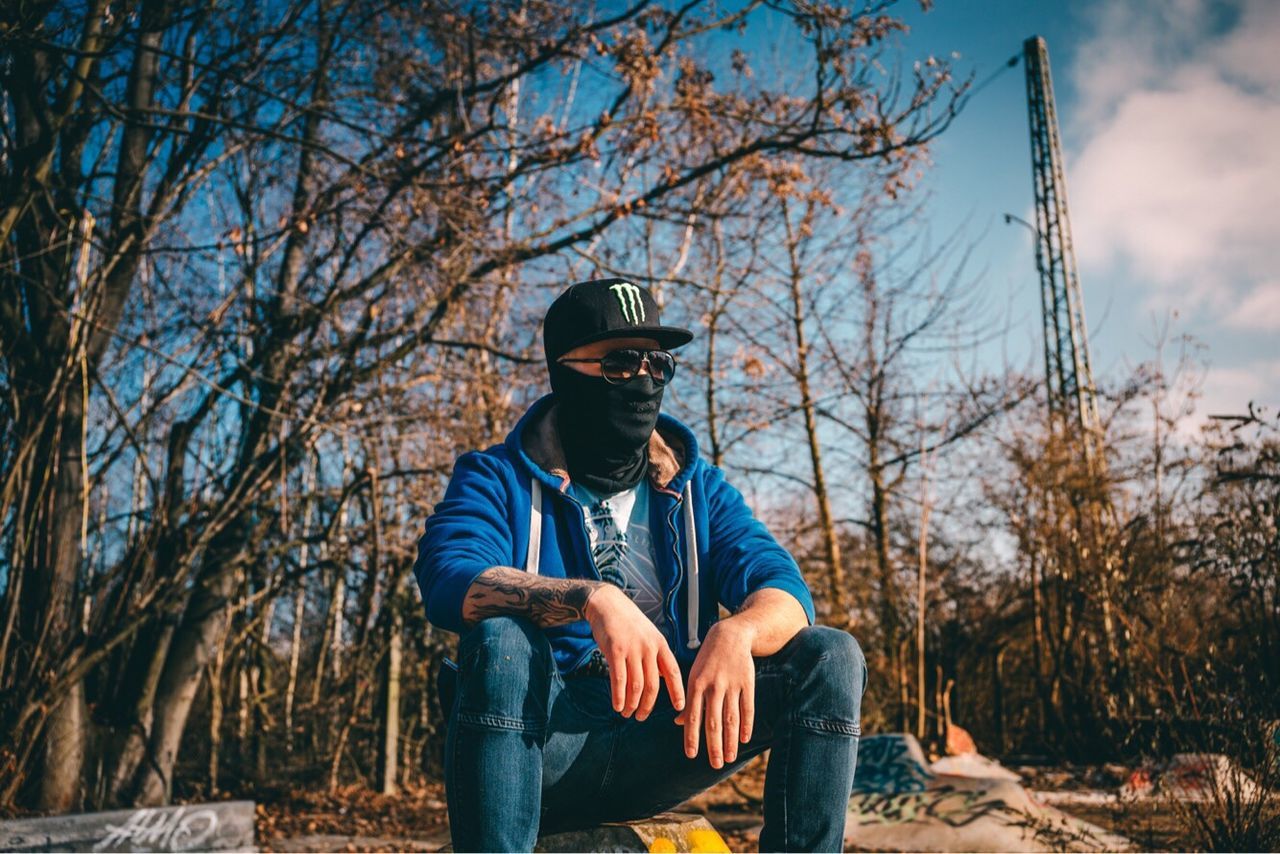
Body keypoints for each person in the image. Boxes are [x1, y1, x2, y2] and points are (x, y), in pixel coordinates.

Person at [413, 278, 865, 852]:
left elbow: (786, 591)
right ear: (563, 370)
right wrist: (593, 599)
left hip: (664, 731)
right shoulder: (494, 475)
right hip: (541, 735)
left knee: (830, 656)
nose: (644, 380)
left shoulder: (695, 487)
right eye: (621, 362)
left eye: (658, 364)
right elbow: (451, 577)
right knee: (501, 640)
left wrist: (737, 632)